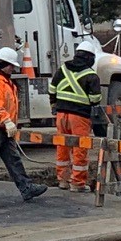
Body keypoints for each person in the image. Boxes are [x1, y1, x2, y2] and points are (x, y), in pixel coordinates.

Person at [0, 46, 48, 203]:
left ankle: (26, 188)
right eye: (12, 65)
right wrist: (6, 120)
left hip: (2, 127)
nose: (13, 68)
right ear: (4, 64)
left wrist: (9, 123)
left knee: (13, 159)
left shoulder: (4, 81)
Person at [49, 38, 102, 189]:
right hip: (79, 117)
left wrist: (54, 105)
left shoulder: (63, 69)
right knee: (80, 148)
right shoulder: (91, 76)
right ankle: (77, 183)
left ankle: (63, 180)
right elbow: (95, 98)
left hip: (61, 115)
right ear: (90, 58)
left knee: (62, 146)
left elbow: (52, 89)